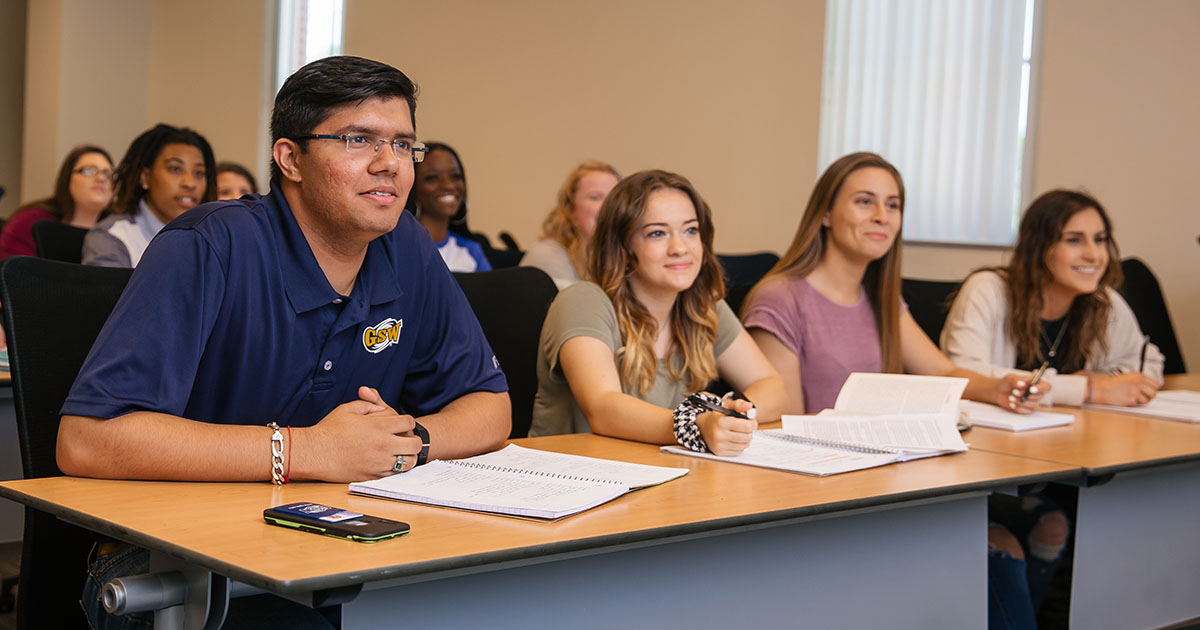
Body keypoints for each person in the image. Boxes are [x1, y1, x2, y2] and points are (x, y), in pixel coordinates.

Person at [58, 56, 511, 629]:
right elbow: (86, 440)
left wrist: (410, 443)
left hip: (341, 540)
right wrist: (309, 450)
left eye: (403, 145)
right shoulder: (206, 247)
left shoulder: (409, 250)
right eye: (358, 140)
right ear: (290, 158)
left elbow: (490, 407)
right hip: (177, 564)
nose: (389, 164)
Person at [740, 151, 1046, 416]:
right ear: (826, 214)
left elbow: (944, 373)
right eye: (865, 202)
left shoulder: (881, 298)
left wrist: (998, 388)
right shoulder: (779, 298)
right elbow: (784, 419)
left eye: (892, 205)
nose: (881, 217)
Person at [529, 169, 787, 456]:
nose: (679, 248)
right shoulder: (584, 301)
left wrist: (730, 415)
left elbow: (774, 387)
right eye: (657, 233)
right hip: (569, 483)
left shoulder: (701, 304)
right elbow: (602, 408)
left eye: (690, 230)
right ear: (624, 246)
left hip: (657, 478)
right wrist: (694, 423)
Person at [941, 189, 1164, 407]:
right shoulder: (987, 290)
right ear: (1038, 247)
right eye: (1074, 240)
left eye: (1099, 240)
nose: (1093, 255)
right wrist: (1085, 390)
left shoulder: (1104, 301)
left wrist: (1106, 377)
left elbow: (1149, 364)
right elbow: (965, 373)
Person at [82, 124, 217, 267]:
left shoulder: (213, 241)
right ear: (145, 177)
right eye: (176, 169)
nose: (190, 183)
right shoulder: (112, 237)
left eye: (199, 173)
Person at [0, 145, 114, 261]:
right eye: (89, 171)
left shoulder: (120, 228)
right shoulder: (30, 221)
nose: (101, 178)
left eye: (108, 174)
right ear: (67, 178)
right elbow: (13, 273)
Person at [521, 160, 620, 289]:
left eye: (614, 198)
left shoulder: (622, 257)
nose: (607, 206)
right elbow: (581, 307)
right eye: (595, 197)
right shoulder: (546, 254)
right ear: (571, 209)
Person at [405, 141, 491, 272]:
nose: (449, 186)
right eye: (433, 178)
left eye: (455, 176)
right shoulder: (397, 249)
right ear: (412, 187)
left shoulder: (471, 250)